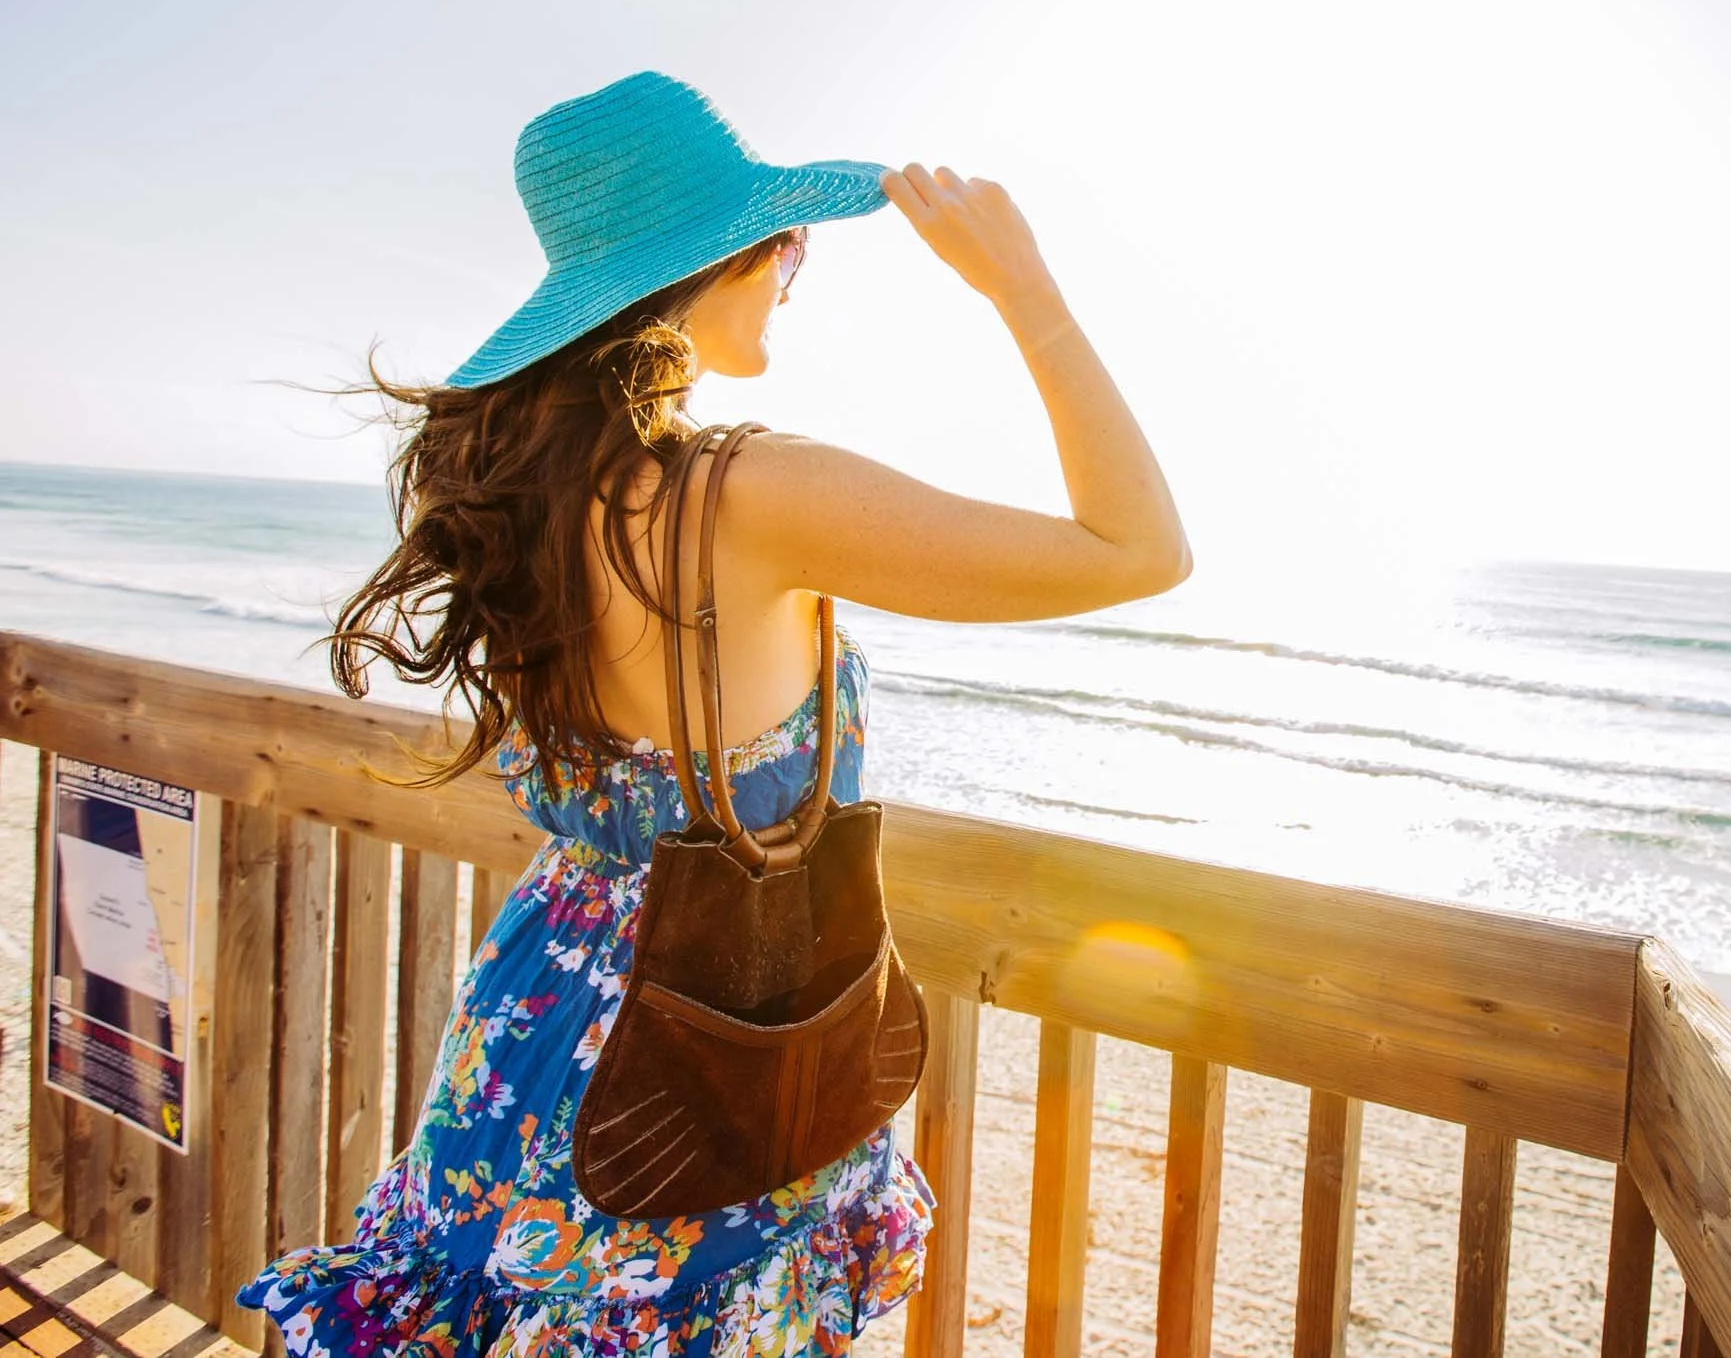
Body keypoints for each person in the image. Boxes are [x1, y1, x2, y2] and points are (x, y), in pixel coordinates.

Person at [237, 71, 1190, 1357]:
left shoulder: (524, 498)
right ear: (717, 262)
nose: (789, 272)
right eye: (780, 247)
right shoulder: (751, 492)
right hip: (721, 1035)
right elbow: (1137, 548)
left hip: (536, 1019)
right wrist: (1027, 292)